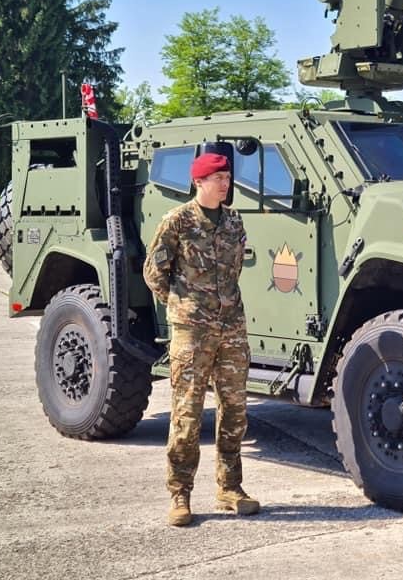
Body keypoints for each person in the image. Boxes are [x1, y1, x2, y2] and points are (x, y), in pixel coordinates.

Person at [143, 151, 260, 527]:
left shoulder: (234, 222)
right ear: (199, 182)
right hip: (192, 332)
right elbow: (154, 273)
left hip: (232, 328)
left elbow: (236, 269)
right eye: (218, 178)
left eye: (227, 177)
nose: (226, 184)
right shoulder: (177, 222)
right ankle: (180, 493)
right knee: (187, 414)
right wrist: (183, 307)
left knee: (235, 411)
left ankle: (230, 487)